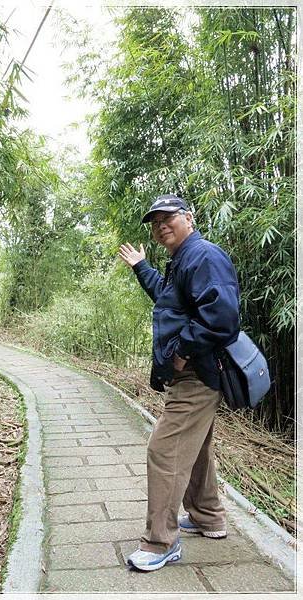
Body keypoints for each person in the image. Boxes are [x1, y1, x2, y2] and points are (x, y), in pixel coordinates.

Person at [118, 193, 240, 572]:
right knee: (197, 447)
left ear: (189, 216)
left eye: (167, 218)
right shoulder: (182, 260)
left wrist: (183, 352)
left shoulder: (204, 255)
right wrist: (142, 267)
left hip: (197, 375)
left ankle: (160, 542)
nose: (160, 226)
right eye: (155, 222)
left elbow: (222, 317)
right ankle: (208, 516)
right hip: (194, 373)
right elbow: (168, 301)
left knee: (165, 451)